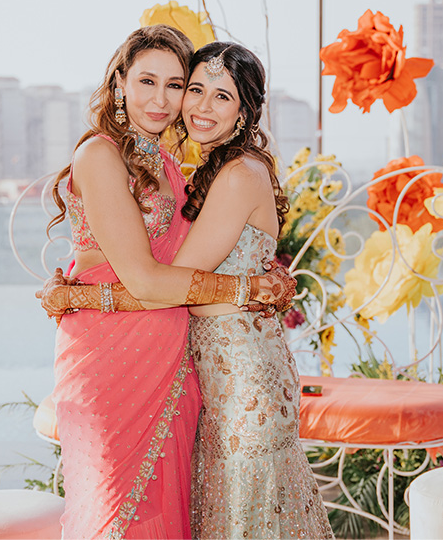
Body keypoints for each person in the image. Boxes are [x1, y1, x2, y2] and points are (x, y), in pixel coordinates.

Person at [40, 41, 333, 539]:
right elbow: (154, 277)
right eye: (192, 88)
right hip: (140, 363)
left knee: (226, 517)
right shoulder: (115, 156)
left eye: (177, 85)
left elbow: (162, 279)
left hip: (218, 374)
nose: (182, 102)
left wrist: (77, 295)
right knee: (130, 511)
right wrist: (249, 286)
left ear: (244, 112)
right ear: (119, 84)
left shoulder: (222, 172)